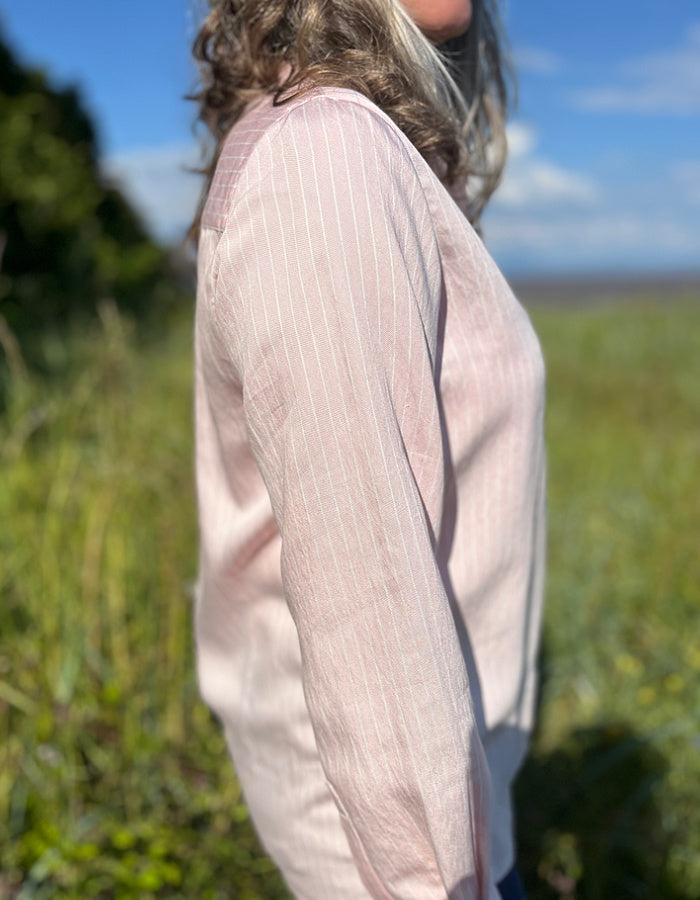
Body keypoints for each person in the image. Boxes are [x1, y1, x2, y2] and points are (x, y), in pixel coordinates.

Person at [189, 1, 546, 898]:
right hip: (401, 855)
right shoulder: (326, 159)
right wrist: (438, 880)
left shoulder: (344, 147)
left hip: (434, 815)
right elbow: (368, 603)